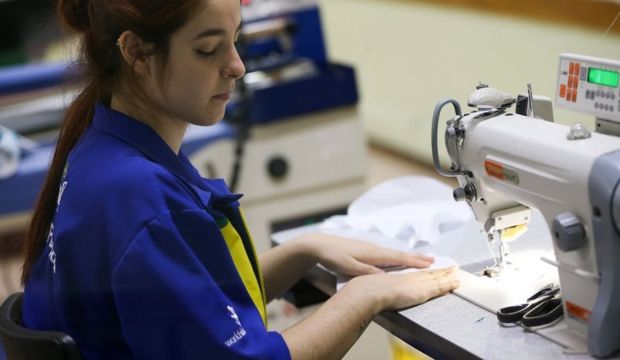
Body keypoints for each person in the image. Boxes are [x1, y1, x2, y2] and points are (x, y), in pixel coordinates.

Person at [21, 0, 460, 359]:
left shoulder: (104, 148)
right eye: (208, 50)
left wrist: (305, 249)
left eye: (236, 41)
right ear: (136, 52)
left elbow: (193, 303)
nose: (237, 67)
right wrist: (365, 296)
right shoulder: (144, 197)